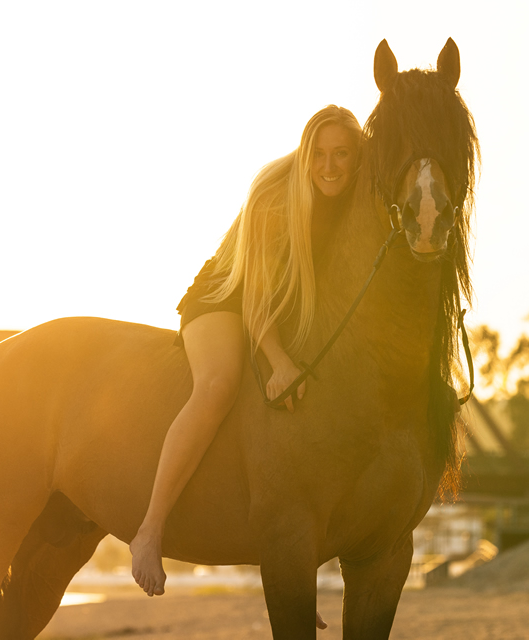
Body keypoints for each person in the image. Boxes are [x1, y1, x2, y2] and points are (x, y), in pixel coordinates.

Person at [129, 105, 362, 600]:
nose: (329, 166)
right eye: (318, 154)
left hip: (287, 303)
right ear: (304, 155)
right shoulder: (276, 197)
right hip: (226, 295)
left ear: (358, 156)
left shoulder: (361, 195)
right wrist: (279, 360)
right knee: (218, 387)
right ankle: (150, 530)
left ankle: (294, 572)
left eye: (342, 153)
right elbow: (256, 296)